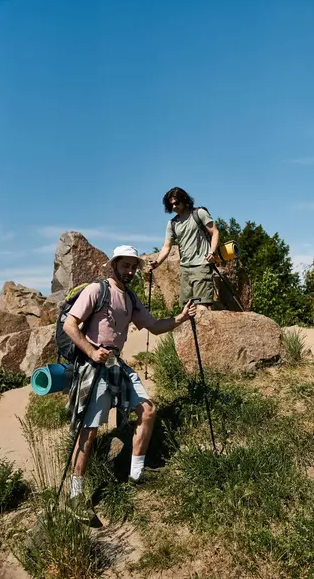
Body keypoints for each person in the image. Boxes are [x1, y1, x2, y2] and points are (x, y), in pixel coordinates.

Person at [63, 244, 197, 522]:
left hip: (115, 363)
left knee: (147, 410)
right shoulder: (96, 291)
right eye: (125, 265)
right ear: (114, 265)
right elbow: (70, 325)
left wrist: (181, 318)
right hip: (93, 365)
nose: (130, 270)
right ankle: (76, 495)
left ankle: (136, 475)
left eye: (134, 266)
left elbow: (154, 326)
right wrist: (90, 351)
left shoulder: (132, 298)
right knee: (89, 431)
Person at [151, 187, 220, 310]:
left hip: (201, 265)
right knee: (186, 309)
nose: (173, 207)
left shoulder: (199, 213)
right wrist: (157, 262)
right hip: (184, 268)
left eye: (176, 203)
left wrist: (212, 252)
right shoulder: (172, 223)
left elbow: (215, 232)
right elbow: (167, 246)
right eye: (170, 204)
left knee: (202, 307)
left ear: (184, 200)